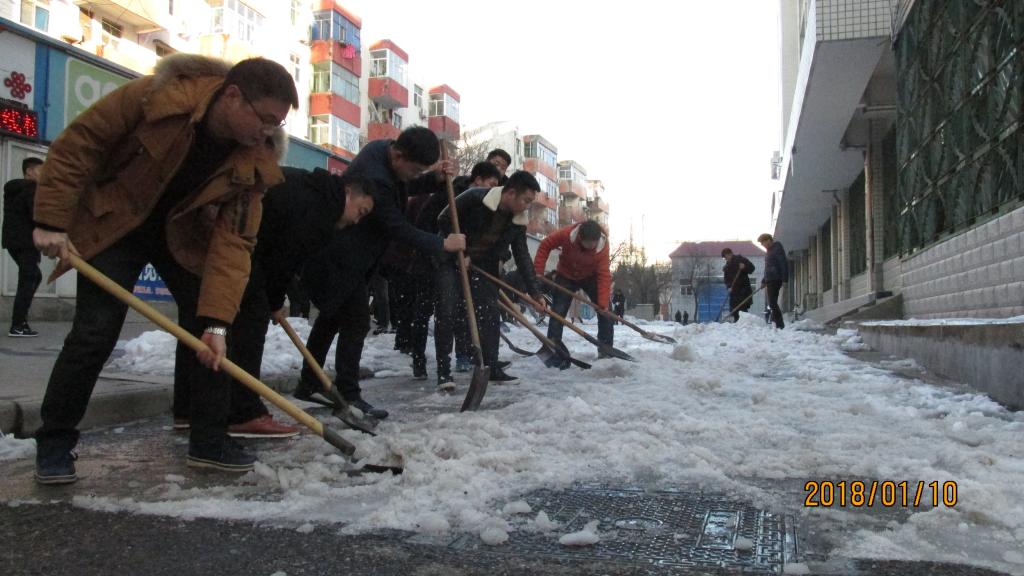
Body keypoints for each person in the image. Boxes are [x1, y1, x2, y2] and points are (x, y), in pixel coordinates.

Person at [30, 54, 298, 483]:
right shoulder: (159, 98)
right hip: (118, 220)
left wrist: (217, 323)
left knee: (212, 332)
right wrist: (50, 220)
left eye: (277, 124)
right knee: (95, 331)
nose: (267, 131)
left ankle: (208, 441)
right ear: (233, 96)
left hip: (182, 235)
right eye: (265, 119)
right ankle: (55, 441)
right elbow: (81, 143)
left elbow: (234, 243)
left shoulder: (254, 162)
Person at [172, 170, 375, 437]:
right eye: (360, 211)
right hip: (235, 249)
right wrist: (274, 300)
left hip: (218, 241)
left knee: (200, 327)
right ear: (348, 193)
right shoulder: (320, 212)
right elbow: (282, 261)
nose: (356, 220)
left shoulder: (313, 188)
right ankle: (245, 413)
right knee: (250, 325)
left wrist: (274, 298)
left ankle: (187, 410)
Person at [293, 127, 465, 418]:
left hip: (352, 255)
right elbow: (397, 226)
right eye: (416, 169)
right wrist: (442, 243)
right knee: (356, 321)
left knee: (330, 319)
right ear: (398, 155)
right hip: (342, 256)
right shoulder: (375, 177)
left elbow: (404, 185)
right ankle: (348, 394)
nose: (415, 174)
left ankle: (309, 383)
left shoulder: (383, 151)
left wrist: (434, 180)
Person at [435, 170, 546, 387]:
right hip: (450, 259)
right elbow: (444, 219)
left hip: (482, 265)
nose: (527, 206)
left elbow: (522, 255)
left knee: (489, 313)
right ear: (511, 193)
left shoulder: (517, 221)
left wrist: (535, 293)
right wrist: (460, 252)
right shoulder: (475, 198)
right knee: (448, 310)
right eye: (526, 200)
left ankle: (490, 366)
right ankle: (443, 371)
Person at [406, 161, 502, 379]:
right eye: (490, 184)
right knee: (423, 311)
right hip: (428, 257)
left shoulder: (482, 204)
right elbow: (426, 222)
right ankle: (419, 361)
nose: (492, 190)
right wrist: (438, 245)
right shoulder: (449, 192)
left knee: (451, 311)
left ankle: (455, 361)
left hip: (452, 262)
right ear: (477, 180)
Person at [533, 220, 613, 350]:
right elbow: (545, 245)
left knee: (606, 311)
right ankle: (553, 345)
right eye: (588, 243)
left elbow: (604, 274)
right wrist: (538, 272)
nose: (591, 246)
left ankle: (606, 348)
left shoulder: (602, 246)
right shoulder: (567, 234)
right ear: (580, 237)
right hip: (566, 275)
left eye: (594, 243)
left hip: (590, 277)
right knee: (558, 310)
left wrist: (603, 304)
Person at [3, 157, 44, 337]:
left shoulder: (13, 189)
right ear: (29, 171)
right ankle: (18, 325)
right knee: (28, 279)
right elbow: (35, 215)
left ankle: (20, 321)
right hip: (27, 241)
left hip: (13, 241)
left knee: (34, 276)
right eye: (41, 170)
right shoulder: (32, 189)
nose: (44, 174)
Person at [758, 233, 788, 329]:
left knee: (772, 302)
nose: (763, 245)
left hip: (776, 278)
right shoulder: (769, 251)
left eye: (763, 242)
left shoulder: (777, 249)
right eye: (761, 244)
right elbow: (767, 268)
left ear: (769, 240)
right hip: (770, 279)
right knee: (772, 302)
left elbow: (783, 263)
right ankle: (776, 322)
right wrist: (764, 280)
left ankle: (779, 324)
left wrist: (785, 279)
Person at [722, 247, 755, 322]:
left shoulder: (741, 259)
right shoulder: (727, 267)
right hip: (734, 293)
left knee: (742, 311)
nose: (726, 259)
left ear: (730, 254)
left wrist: (744, 267)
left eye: (726, 257)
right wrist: (728, 287)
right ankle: (737, 325)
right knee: (734, 310)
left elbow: (752, 269)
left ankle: (744, 325)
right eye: (724, 258)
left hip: (743, 291)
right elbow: (726, 279)